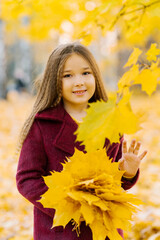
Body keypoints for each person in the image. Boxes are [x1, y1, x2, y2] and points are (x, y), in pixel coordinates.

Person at [16, 42, 147, 240]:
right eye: (68, 75)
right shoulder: (42, 125)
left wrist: (127, 173)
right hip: (60, 230)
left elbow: (113, 186)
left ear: (95, 76)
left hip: (103, 229)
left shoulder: (110, 122)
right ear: (54, 81)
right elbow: (26, 179)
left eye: (86, 73)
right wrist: (71, 204)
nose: (79, 82)